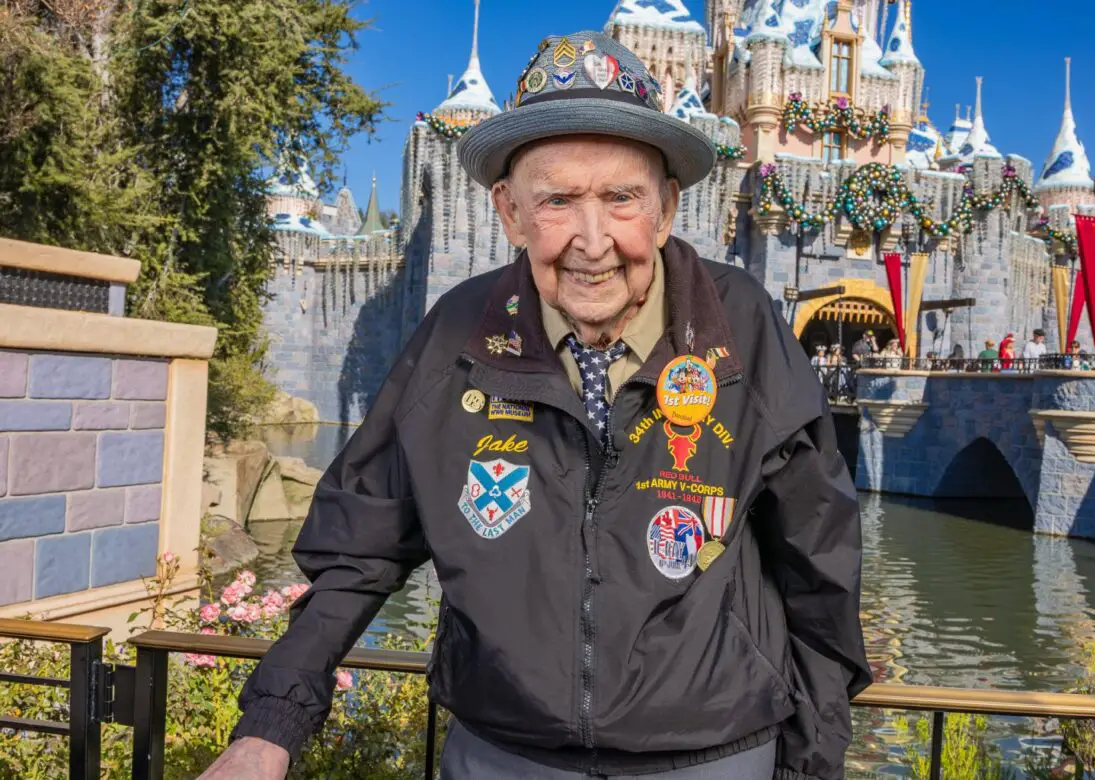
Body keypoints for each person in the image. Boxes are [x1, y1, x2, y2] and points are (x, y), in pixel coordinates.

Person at [200, 30, 870, 780]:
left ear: (667, 208)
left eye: (621, 198)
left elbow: (820, 564)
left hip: (712, 756)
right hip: (501, 756)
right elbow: (360, 543)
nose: (593, 240)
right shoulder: (457, 332)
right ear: (510, 213)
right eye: (558, 200)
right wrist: (270, 727)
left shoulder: (741, 325)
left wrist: (812, 764)